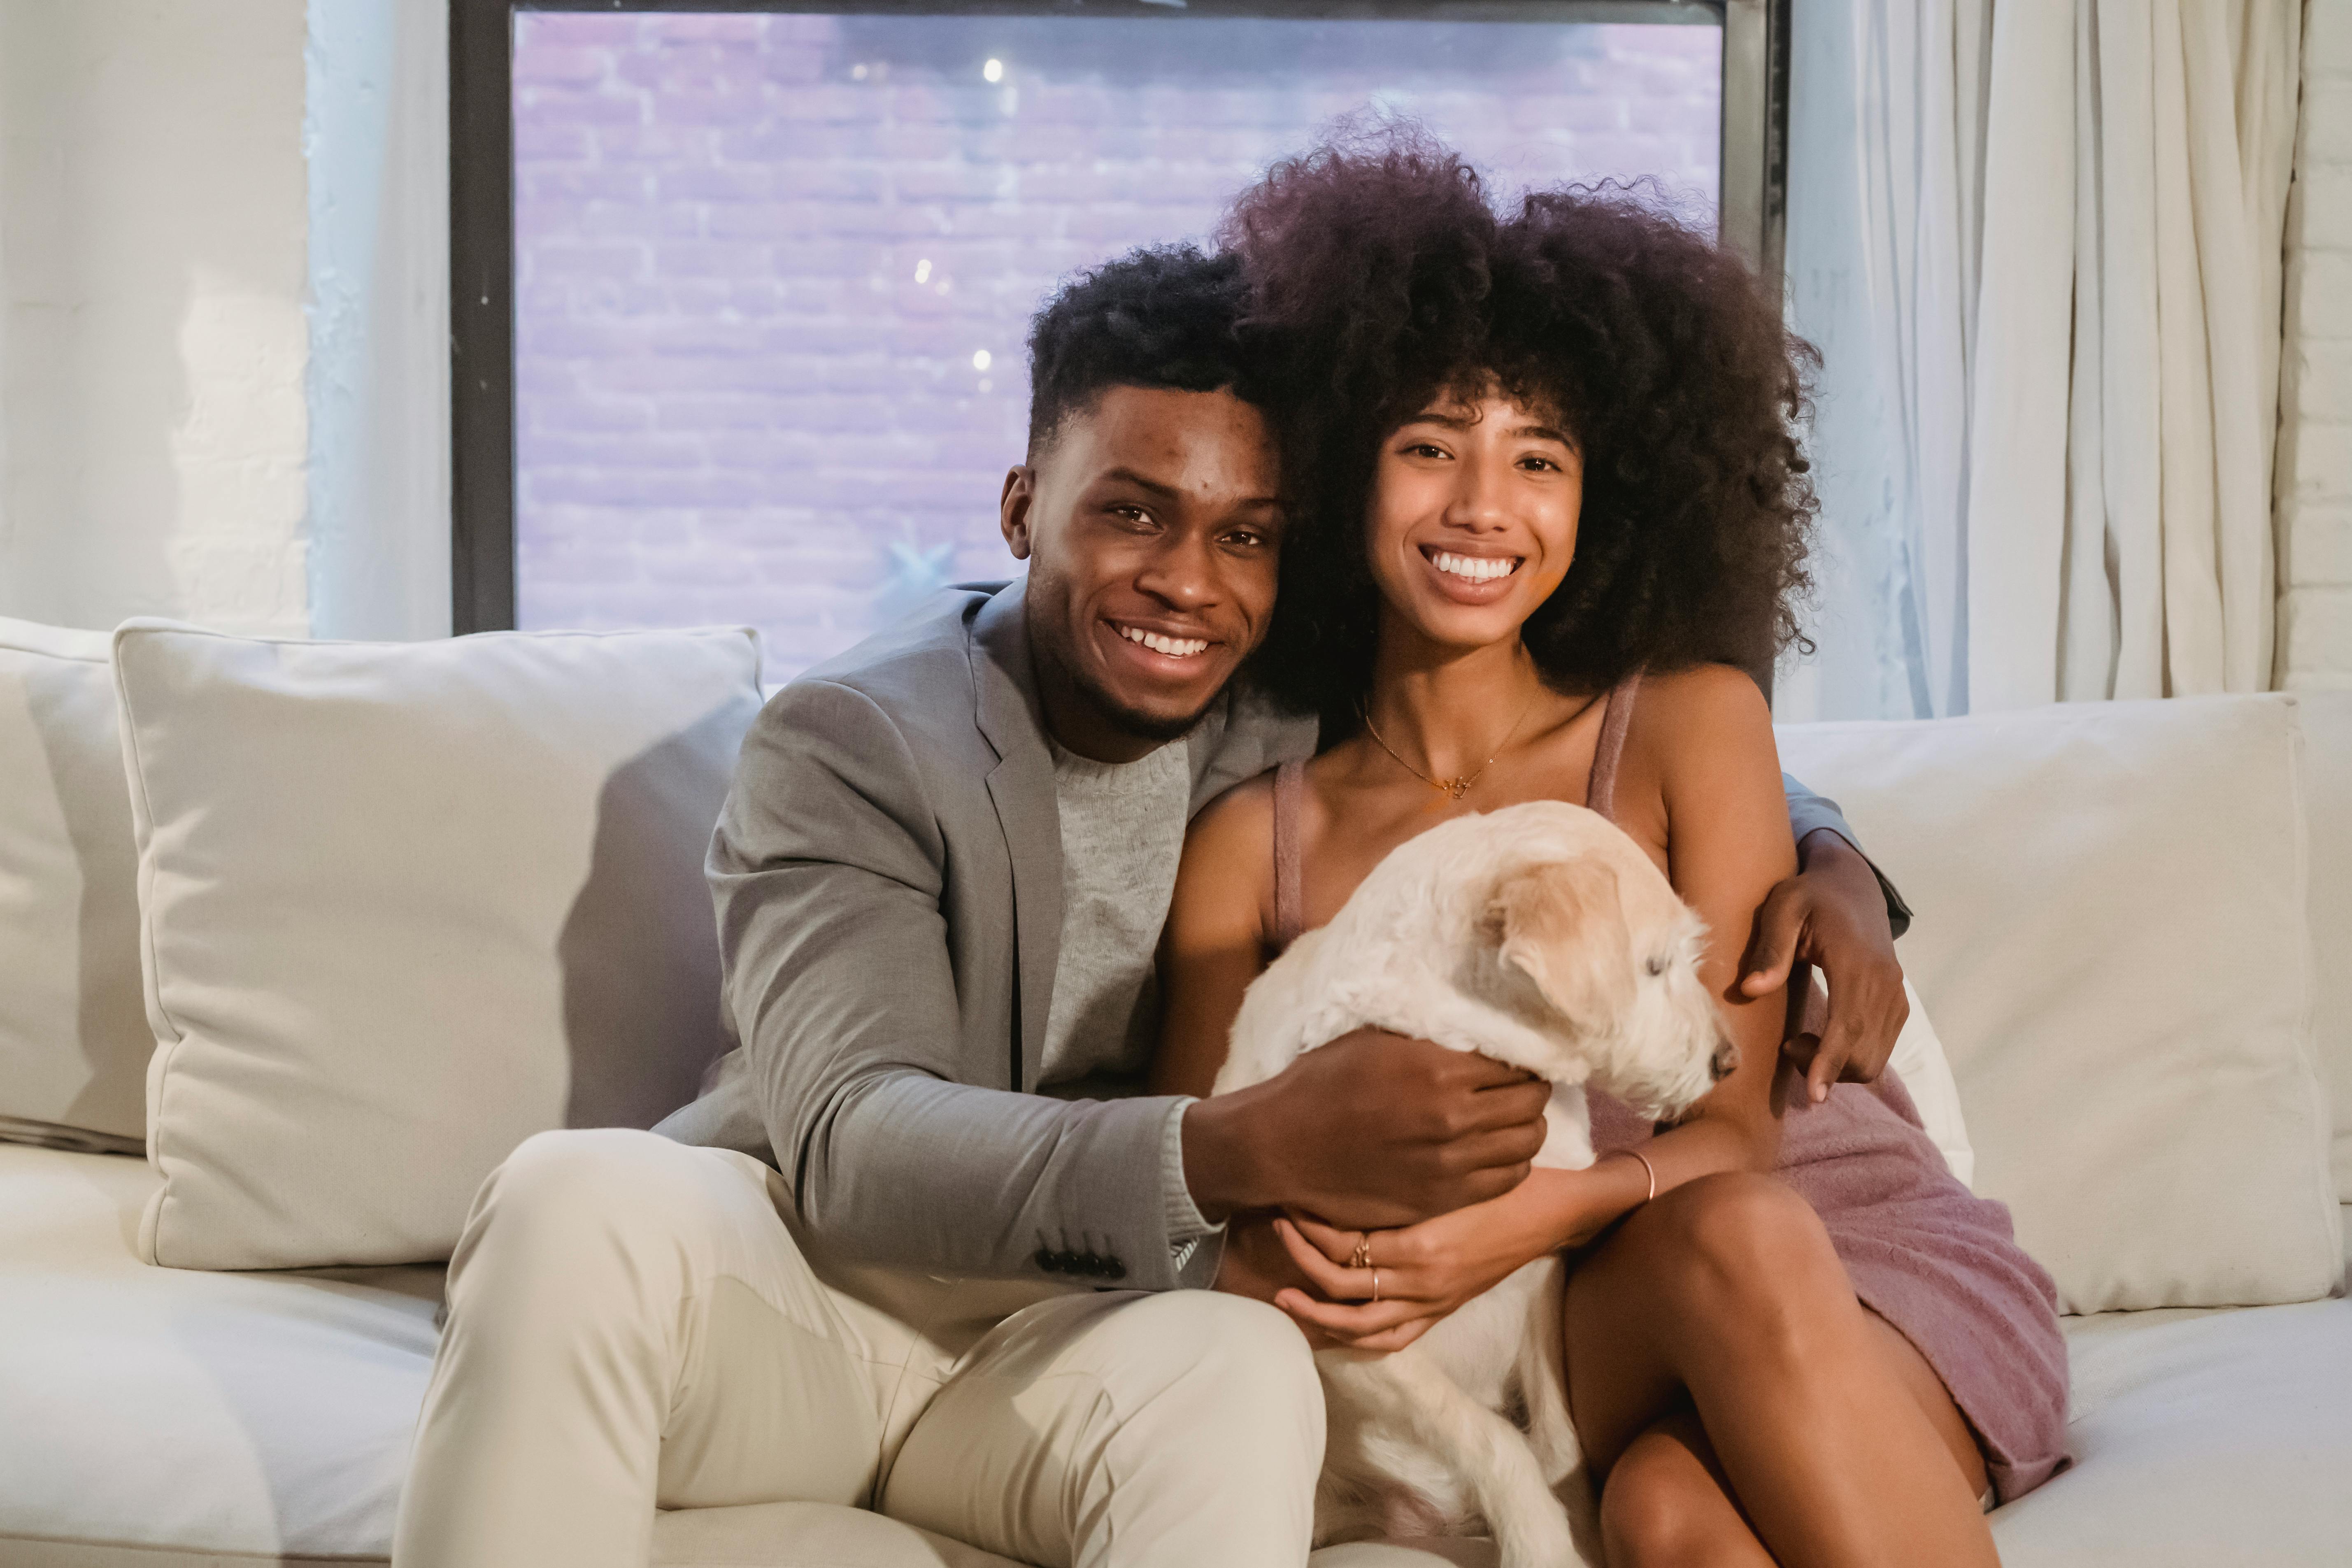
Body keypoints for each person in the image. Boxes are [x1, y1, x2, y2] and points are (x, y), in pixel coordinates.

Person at [393, 243, 1914, 1568]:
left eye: (1244, 534)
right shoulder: (854, 739)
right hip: (819, 1294)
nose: (1186, 581)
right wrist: (1238, 1146)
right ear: (1018, 506)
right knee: (567, 1194)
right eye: (1130, 514)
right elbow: (854, 1139)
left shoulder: (1277, 716)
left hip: (1089, 1333)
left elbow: (1537, 769)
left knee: (1244, 1369)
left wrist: (1835, 863)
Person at [1154, 138, 2070, 1568]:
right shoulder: (1255, 843)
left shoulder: (1692, 728)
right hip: (1570, 1321)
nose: (1480, 504)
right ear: (1340, 473)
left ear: (1604, 497)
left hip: (1834, 1256)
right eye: (1426, 446)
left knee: (1674, 1489)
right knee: (1643, 1502)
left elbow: (1740, 1138)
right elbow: (1190, 1177)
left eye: (1539, 456)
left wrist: (1504, 1222)